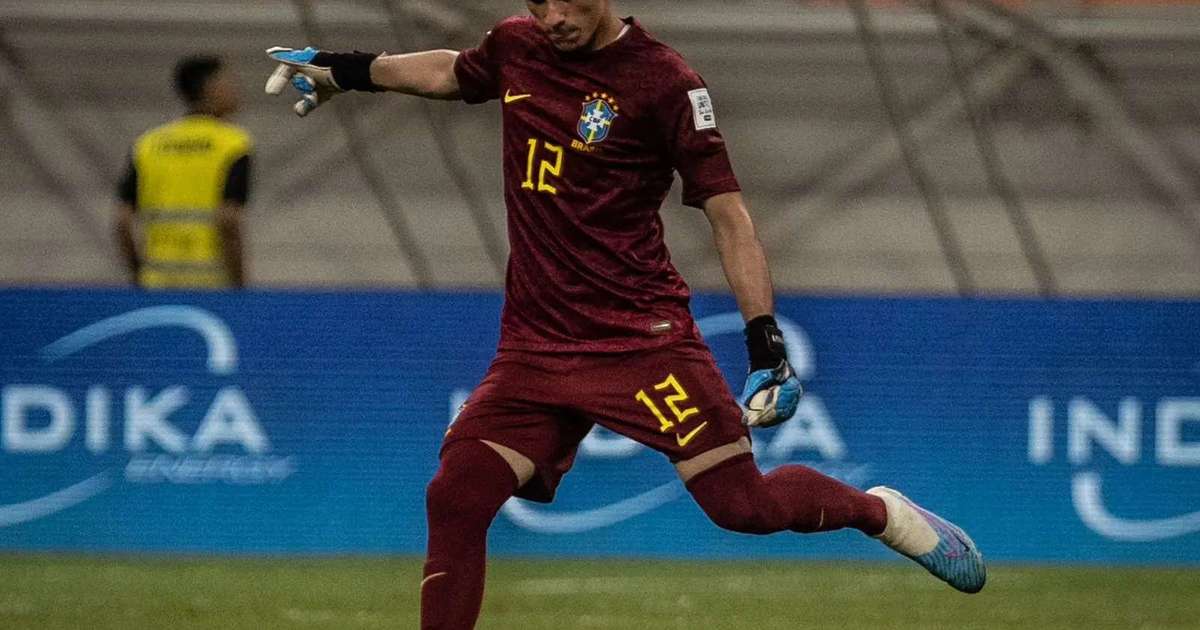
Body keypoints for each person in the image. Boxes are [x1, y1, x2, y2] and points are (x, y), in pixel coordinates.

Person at [265, 1, 986, 626]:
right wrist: (343, 67)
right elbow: (451, 71)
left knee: (744, 508)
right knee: (455, 494)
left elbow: (730, 220)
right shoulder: (519, 46)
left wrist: (766, 344)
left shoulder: (667, 84)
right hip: (535, 349)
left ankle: (881, 513)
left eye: (569, 4)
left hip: (642, 343)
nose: (554, 19)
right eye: (541, 3)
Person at [115, 54, 251, 289]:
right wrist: (239, 286)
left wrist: (139, 273)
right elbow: (228, 218)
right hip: (211, 286)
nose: (236, 90)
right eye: (229, 82)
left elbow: (123, 221)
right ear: (210, 88)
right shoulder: (233, 144)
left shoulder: (148, 144)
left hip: (155, 285)